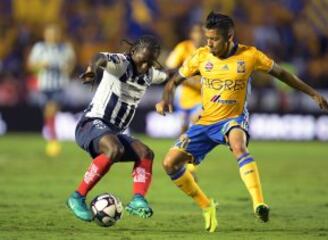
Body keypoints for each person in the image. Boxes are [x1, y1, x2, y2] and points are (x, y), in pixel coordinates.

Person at [156, 12, 328, 233]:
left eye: (214, 39)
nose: (209, 43)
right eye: (207, 38)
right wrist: (165, 99)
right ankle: (207, 205)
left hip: (233, 118)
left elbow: (282, 74)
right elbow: (174, 81)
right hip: (206, 120)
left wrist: (313, 93)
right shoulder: (200, 56)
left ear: (229, 37)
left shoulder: (250, 55)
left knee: (238, 146)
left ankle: (259, 203)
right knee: (169, 163)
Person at [66, 35, 168, 222]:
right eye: (143, 60)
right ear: (133, 52)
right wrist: (91, 69)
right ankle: (77, 197)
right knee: (114, 149)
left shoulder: (150, 74)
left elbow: (171, 75)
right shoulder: (121, 63)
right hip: (90, 124)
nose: (145, 66)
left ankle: (138, 199)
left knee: (145, 153)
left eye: (150, 62)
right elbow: (99, 57)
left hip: (112, 132)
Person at [28, 24, 76, 157]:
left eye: (55, 33)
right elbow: (31, 65)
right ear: (45, 35)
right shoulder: (39, 48)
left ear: (59, 35)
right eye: (50, 33)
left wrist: (67, 69)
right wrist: (40, 65)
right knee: (47, 112)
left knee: (51, 109)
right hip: (44, 85)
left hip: (59, 85)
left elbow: (72, 63)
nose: (53, 36)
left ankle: (53, 141)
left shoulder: (65, 48)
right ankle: (52, 138)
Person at [165, 22, 204, 179]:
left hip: (202, 98)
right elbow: (169, 68)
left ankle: (191, 167)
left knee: (195, 125)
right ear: (192, 34)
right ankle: (181, 161)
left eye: (203, 32)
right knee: (183, 132)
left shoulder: (210, 51)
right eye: (197, 32)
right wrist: (187, 81)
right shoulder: (183, 48)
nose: (201, 35)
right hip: (184, 97)